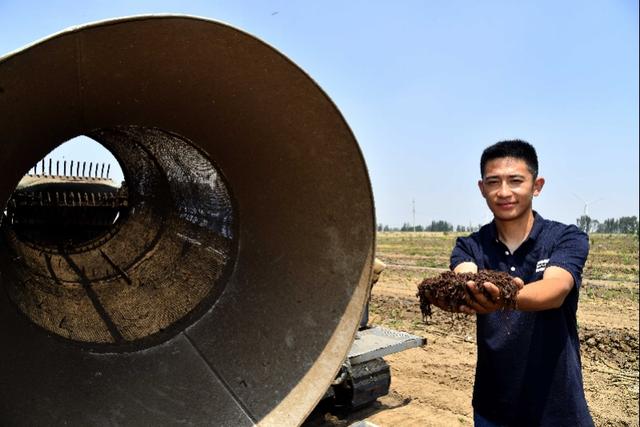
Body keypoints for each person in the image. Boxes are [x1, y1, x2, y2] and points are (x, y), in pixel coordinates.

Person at [438, 140, 593, 426]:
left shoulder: (565, 238)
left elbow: (555, 289)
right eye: (493, 182)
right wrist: (465, 289)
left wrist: (505, 297)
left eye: (516, 181)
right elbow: (466, 276)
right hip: (493, 408)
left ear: (537, 185)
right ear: (482, 188)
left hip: (557, 407)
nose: (504, 192)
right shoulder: (470, 246)